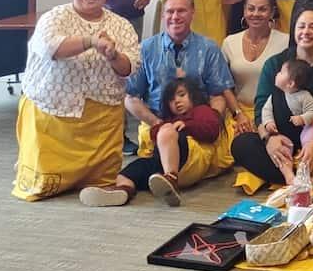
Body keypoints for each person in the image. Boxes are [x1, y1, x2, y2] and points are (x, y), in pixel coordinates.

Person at [13, 0, 140, 201]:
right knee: (43, 185)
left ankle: (104, 190)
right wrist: (91, 41)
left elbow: (130, 68)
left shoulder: (121, 25)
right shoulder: (55, 17)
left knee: (103, 179)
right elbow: (52, 47)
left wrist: (113, 55)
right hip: (53, 110)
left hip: (100, 117)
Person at [231, 4, 313, 193]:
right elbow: (261, 107)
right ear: (294, 30)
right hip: (280, 138)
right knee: (241, 144)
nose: (306, 32)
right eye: (301, 26)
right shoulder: (275, 63)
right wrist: (269, 139)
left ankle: (285, 175)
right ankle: (308, 181)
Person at [125, 0, 237, 186]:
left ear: (192, 13)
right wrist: (157, 123)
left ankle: (126, 182)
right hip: (156, 122)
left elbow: (217, 94)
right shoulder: (145, 49)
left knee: (175, 147)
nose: (175, 17)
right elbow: (130, 97)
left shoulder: (209, 48)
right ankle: (162, 179)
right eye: (170, 12)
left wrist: (209, 122)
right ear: (162, 16)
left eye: (181, 11)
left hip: (196, 126)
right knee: (167, 137)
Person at [80, 77, 222, 207]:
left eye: (181, 95)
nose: (177, 101)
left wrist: (188, 125)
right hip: (161, 163)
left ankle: (171, 178)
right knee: (132, 170)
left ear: (193, 95)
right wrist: (164, 127)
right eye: (171, 100)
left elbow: (213, 129)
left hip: (190, 159)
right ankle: (124, 189)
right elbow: (154, 133)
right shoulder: (168, 120)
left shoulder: (201, 111)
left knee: (166, 130)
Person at [220, 0, 289, 138]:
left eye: (262, 9)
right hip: (236, 112)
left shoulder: (286, 42)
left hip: (271, 114)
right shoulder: (229, 42)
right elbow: (224, 85)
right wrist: (238, 114)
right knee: (224, 152)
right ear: (244, 10)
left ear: (272, 12)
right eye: (251, 8)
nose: (256, 14)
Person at [260, 58, 313, 185]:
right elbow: (266, 110)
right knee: (282, 152)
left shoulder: (304, 96)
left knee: (310, 139)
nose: (277, 74)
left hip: (303, 130)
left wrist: (303, 118)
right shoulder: (275, 95)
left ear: (290, 83)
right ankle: (289, 176)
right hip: (284, 134)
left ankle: (304, 170)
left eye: (281, 72)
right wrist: (268, 123)